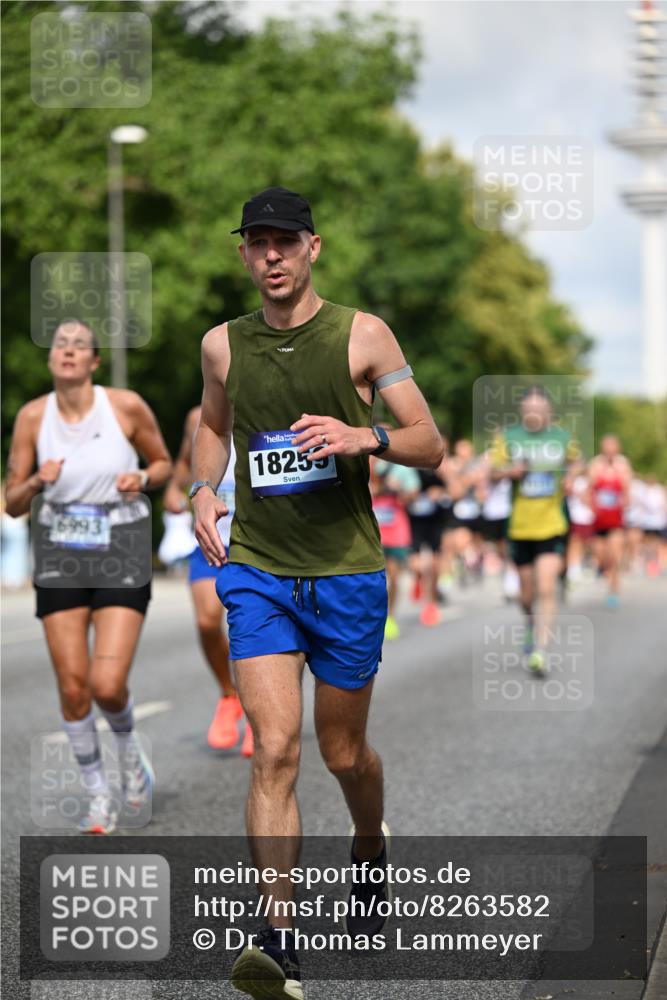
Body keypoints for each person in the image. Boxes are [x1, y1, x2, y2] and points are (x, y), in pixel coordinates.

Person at [190, 187, 443, 1000]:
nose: (270, 256)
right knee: (274, 749)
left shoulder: (361, 334)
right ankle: (278, 938)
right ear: (242, 253)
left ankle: (369, 844)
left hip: (344, 573)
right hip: (257, 569)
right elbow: (210, 423)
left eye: (284, 242)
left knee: (341, 754)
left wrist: (361, 435)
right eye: (256, 242)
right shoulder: (222, 346)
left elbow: (428, 442)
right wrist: (202, 490)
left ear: (311, 249)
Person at [4, 320, 172, 834]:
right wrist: (36, 480)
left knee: (106, 682)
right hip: (60, 550)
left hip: (120, 545)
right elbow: (12, 503)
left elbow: (164, 463)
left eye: (79, 345)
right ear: (51, 358)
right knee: (74, 687)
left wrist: (141, 478)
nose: (69, 351)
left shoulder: (124, 406)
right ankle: (99, 795)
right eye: (61, 345)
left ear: (95, 361)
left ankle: (128, 756)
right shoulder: (34, 417)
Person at [163, 405, 253, 755]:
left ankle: (262, 714)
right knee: (206, 621)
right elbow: (185, 463)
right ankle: (229, 695)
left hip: (258, 539)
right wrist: (174, 488)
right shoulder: (196, 416)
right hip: (210, 538)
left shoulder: (270, 397)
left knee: (254, 629)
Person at [490, 386, 579, 676]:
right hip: (520, 527)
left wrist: (572, 477)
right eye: (528, 409)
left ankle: (541, 650)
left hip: (552, 524)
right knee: (526, 594)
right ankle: (530, 622)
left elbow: (578, 462)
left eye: (539, 409)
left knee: (547, 587)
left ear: (549, 411)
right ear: (521, 411)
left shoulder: (562, 437)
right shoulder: (509, 437)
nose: (533, 414)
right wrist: (510, 473)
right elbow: (491, 472)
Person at [370, 448, 420, 640]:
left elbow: (413, 495)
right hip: (373, 531)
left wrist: (399, 489)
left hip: (396, 531)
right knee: (375, 579)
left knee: (394, 577)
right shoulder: (365, 464)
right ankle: (374, 618)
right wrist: (380, 487)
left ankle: (390, 617)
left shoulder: (402, 467)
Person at [588, 436, 631, 608]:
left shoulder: (623, 464)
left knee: (614, 557)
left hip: (616, 521)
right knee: (602, 558)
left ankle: (613, 591)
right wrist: (592, 507)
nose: (610, 450)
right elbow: (589, 490)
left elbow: (627, 491)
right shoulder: (596, 464)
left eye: (613, 446)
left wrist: (624, 506)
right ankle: (605, 574)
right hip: (599, 520)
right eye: (607, 446)